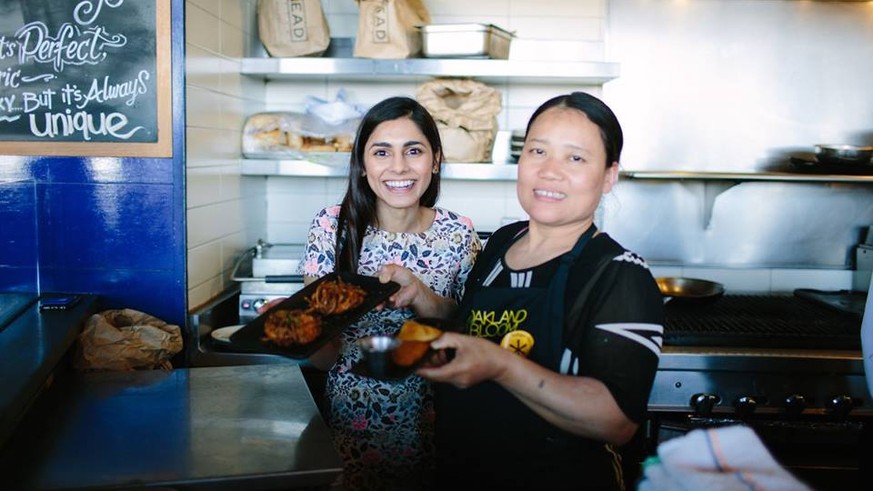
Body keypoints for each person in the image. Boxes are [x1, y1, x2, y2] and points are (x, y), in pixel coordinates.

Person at [378, 91, 665, 491]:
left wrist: (502, 365)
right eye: (537, 151)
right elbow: (472, 329)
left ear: (609, 174)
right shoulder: (501, 243)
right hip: (461, 472)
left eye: (575, 158)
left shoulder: (618, 273)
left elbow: (616, 421)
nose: (550, 171)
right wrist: (421, 294)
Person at [297, 96, 481, 491]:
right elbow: (324, 359)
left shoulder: (459, 233)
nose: (398, 167)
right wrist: (306, 325)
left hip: (440, 421)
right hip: (352, 428)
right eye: (382, 152)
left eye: (413, 151)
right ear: (363, 165)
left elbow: (468, 327)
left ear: (434, 160)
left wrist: (419, 293)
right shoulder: (332, 228)